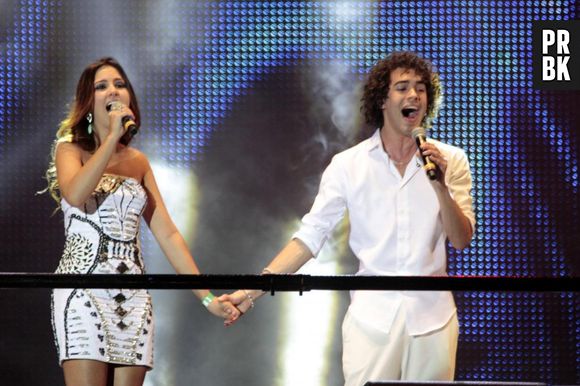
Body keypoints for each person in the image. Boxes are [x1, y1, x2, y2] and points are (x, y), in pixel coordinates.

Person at [220, 51, 475, 384]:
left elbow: (461, 239)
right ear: (382, 100)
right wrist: (252, 290)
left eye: (421, 88)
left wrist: (440, 186)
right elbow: (311, 236)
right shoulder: (349, 165)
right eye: (402, 88)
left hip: (433, 321)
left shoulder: (450, 160)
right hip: (372, 322)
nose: (414, 95)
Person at [42, 57, 240, 386]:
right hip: (83, 291)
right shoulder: (70, 150)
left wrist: (206, 298)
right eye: (102, 86)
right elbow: (76, 194)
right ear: (89, 104)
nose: (113, 91)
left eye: (120, 84)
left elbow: (169, 235)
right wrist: (109, 142)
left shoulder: (138, 162)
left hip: (133, 298)